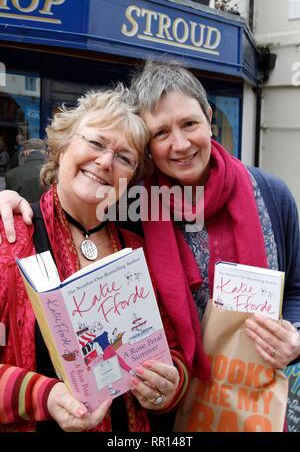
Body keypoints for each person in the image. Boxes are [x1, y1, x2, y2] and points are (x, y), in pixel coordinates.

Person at [1, 61, 300, 419]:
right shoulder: (129, 210)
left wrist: (295, 337)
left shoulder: (271, 195)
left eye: (189, 123)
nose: (180, 143)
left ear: (208, 117)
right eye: (160, 133)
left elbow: (293, 290)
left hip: (256, 401)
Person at [0, 85, 187, 432]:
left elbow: (171, 351)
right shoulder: (11, 238)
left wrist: (167, 386)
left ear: (131, 177)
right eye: (96, 143)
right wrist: (43, 395)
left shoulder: (137, 251)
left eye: (124, 157)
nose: (105, 162)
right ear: (65, 143)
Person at [5, 138, 46, 202]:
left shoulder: (11, 175)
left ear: (26, 153)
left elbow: (8, 202)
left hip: (24, 211)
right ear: (45, 153)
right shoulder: (56, 172)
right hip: (49, 211)